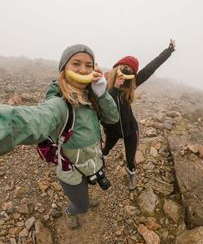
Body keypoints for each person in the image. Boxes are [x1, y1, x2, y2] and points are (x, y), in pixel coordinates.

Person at [0, 44, 119, 229]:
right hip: (70, 171)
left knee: (85, 190)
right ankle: (71, 210)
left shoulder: (92, 96)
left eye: (89, 65)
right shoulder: (58, 104)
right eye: (76, 63)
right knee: (82, 205)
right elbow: (33, 120)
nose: (83, 69)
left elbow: (113, 118)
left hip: (92, 162)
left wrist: (102, 93)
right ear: (64, 68)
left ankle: (82, 199)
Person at [102, 39, 176, 190]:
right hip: (112, 131)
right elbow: (103, 105)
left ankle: (132, 175)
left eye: (131, 70)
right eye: (124, 68)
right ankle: (99, 165)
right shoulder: (103, 84)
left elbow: (151, 67)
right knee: (104, 151)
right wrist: (114, 87)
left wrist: (168, 51)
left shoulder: (132, 85)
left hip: (130, 130)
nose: (127, 71)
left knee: (130, 159)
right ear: (117, 69)